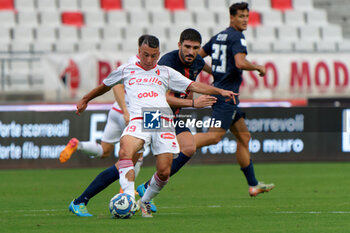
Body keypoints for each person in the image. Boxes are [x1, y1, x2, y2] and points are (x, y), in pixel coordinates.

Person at [73, 35, 236, 217]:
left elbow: (195, 85)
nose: (149, 60)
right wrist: (86, 99)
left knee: (164, 171)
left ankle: (145, 201)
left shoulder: (166, 71)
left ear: (159, 54)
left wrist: (220, 91)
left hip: (163, 119)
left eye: (153, 56)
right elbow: (105, 85)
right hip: (140, 118)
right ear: (138, 52)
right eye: (145, 55)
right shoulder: (127, 69)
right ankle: (127, 198)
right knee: (125, 152)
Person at [193, 2, 275, 197]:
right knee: (214, 137)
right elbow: (239, 62)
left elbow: (196, 56)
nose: (245, 20)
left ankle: (253, 184)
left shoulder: (218, 36)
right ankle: (174, 145)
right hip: (226, 95)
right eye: (241, 16)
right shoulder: (238, 37)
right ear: (232, 17)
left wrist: (211, 71)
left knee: (244, 137)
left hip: (227, 94)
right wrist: (258, 67)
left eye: (247, 16)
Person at [136, 28, 217, 205]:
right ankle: (83, 200)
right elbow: (163, 97)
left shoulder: (197, 61)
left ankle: (147, 190)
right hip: (154, 114)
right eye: (187, 47)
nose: (191, 51)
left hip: (171, 116)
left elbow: (202, 66)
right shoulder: (167, 64)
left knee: (188, 148)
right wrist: (193, 103)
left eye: (195, 48)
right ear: (179, 45)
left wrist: (217, 76)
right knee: (129, 158)